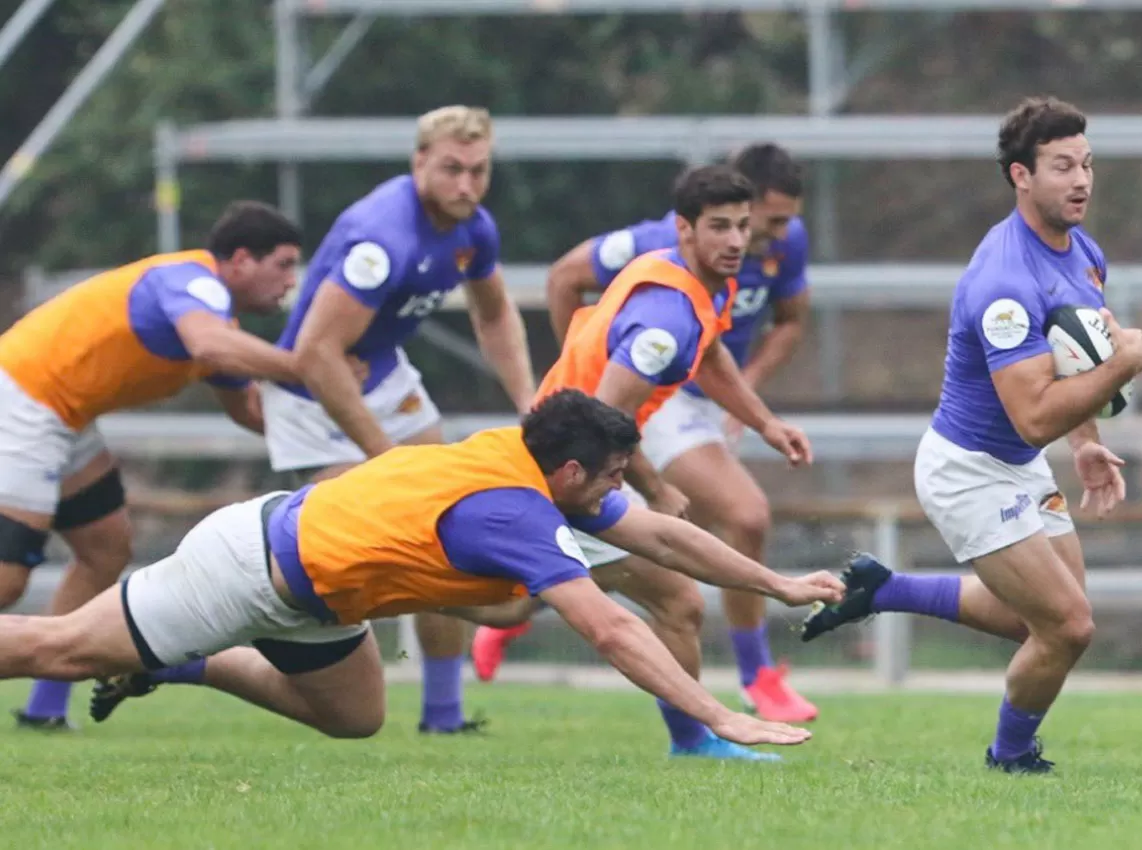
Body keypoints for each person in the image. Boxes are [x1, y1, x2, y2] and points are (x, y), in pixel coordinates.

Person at [0, 390, 842, 752]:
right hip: (244, 568)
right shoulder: (513, 510)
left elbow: (663, 537)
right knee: (60, 649)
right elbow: (613, 627)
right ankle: (153, 648)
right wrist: (719, 715)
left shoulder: (533, 461)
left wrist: (780, 586)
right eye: (616, 474)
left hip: (319, 596)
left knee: (355, 720)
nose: (624, 488)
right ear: (574, 473)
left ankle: (182, 661)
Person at [800, 96, 1142, 774]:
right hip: (968, 470)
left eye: (1086, 164)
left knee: (1041, 623)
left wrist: (1084, 444)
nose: (1080, 181)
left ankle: (885, 589)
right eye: (1060, 167)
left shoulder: (1082, 252)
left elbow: (1071, 356)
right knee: (1068, 626)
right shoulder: (1003, 284)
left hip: (1018, 464)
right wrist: (1124, 367)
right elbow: (1033, 414)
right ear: (1021, 176)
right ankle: (1010, 758)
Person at [478, 164, 816, 761]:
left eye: (743, 225)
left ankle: (694, 739)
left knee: (526, 596)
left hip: (564, 468)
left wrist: (765, 422)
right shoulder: (664, 321)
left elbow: (710, 356)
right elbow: (601, 423)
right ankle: (696, 742)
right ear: (684, 228)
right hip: (564, 478)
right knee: (676, 600)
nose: (736, 240)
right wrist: (657, 488)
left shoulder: (695, 279)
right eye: (719, 227)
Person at [259, 105, 536, 735]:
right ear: (418, 164)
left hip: (389, 379)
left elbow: (493, 315)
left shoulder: (474, 229)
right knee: (352, 559)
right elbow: (314, 356)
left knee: (447, 532)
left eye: (478, 170)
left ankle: (443, 714)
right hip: (313, 402)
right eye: (451, 169)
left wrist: (528, 397)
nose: (466, 184)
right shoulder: (382, 241)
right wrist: (388, 456)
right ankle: (196, 655)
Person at [0, 200, 311, 730]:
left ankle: (44, 710)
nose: (290, 281)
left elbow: (251, 411)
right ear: (240, 260)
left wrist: (339, 438)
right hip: (22, 400)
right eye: (282, 264)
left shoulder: (219, 322)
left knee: (105, 550)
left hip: (64, 417)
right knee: (7, 581)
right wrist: (308, 368)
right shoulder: (193, 283)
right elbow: (209, 346)